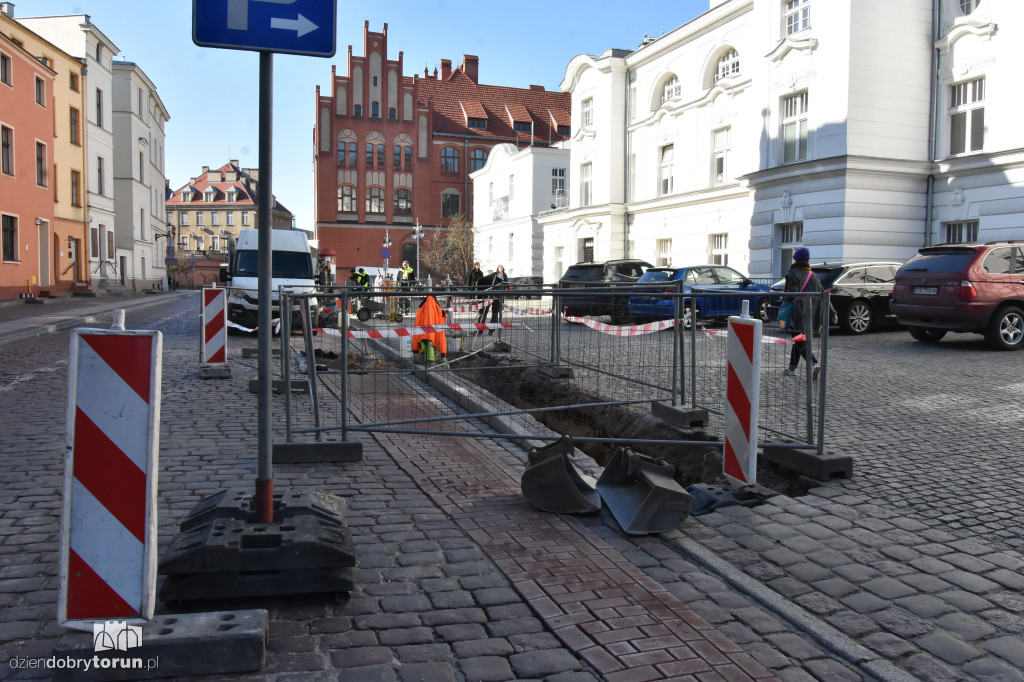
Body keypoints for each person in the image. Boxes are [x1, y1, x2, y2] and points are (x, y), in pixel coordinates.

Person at [783, 247, 837, 379]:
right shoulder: (813, 275)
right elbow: (824, 294)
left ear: (796, 259)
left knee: (800, 342)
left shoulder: (793, 273)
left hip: (798, 313)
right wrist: (832, 312)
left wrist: (784, 294)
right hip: (812, 315)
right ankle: (791, 368)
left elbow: (791, 295)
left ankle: (814, 363)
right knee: (798, 340)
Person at [476, 265, 509, 335]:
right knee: (483, 312)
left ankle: (491, 330)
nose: (500, 268)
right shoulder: (494, 275)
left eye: (502, 267)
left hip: (498, 297)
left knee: (495, 314)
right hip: (489, 296)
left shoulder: (505, 276)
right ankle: (480, 330)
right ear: (497, 268)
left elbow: (506, 286)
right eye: (499, 267)